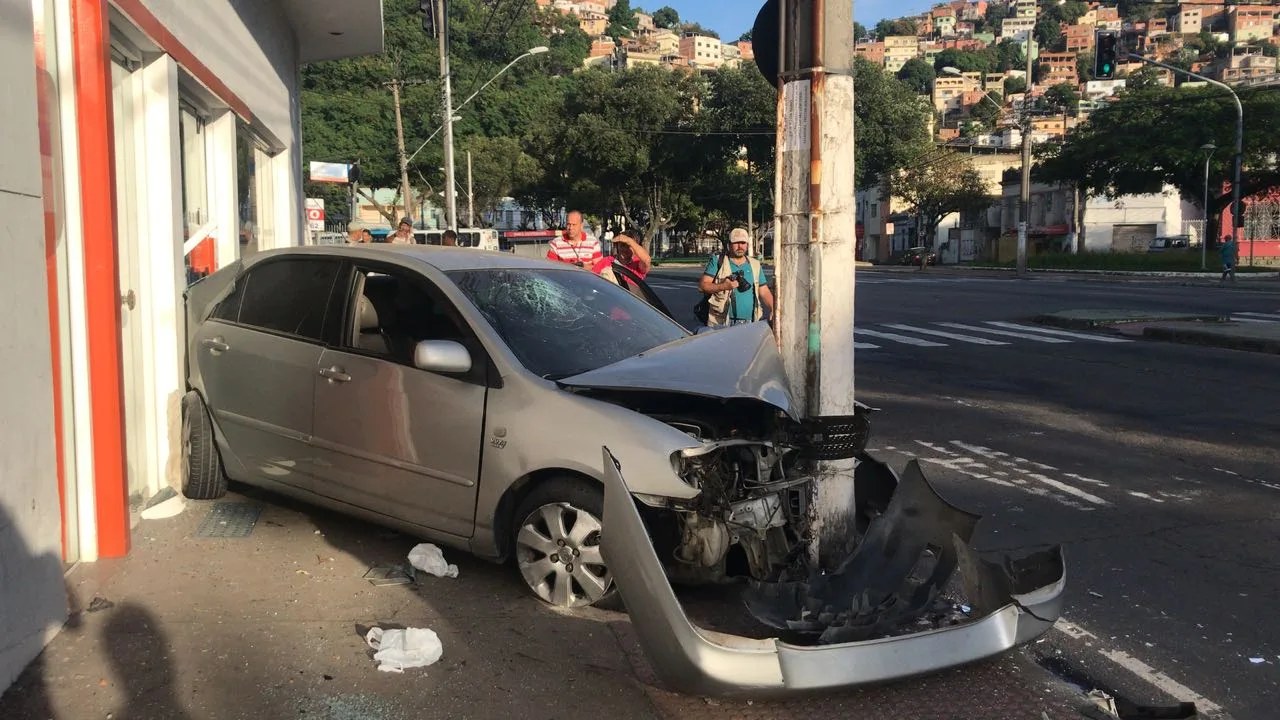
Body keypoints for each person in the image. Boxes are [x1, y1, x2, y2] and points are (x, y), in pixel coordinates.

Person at [697, 227, 774, 329]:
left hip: (751, 322)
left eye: (743, 243)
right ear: (729, 245)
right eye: (736, 243)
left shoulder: (755, 264)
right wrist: (723, 286)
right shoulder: (718, 261)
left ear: (747, 245)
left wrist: (774, 308)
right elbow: (702, 286)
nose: (740, 246)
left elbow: (763, 290)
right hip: (721, 322)